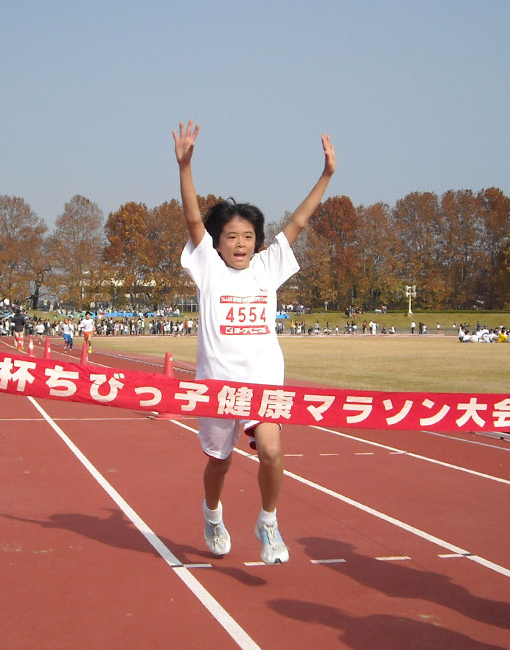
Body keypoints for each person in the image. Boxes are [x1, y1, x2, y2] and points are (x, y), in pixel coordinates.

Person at [173, 120, 335, 564]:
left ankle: (268, 522)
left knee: (272, 448)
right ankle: (212, 513)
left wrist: (325, 176)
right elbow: (191, 218)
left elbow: (300, 220)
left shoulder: (268, 268)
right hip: (217, 385)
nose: (240, 244)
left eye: (248, 237)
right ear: (218, 243)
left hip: (264, 381)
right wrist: (185, 167)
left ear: (257, 242)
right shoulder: (208, 267)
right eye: (231, 237)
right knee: (219, 463)